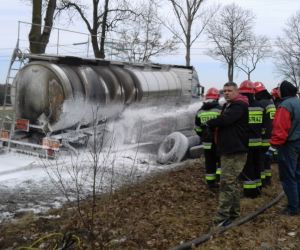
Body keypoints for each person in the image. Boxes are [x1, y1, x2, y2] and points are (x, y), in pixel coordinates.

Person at [206, 82, 249, 226]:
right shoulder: (228, 105)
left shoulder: (239, 106)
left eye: (230, 90)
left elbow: (226, 120)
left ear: (237, 92)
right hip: (229, 150)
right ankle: (233, 214)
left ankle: (222, 218)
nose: (227, 93)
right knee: (232, 183)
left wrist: (210, 123)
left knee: (226, 183)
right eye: (224, 91)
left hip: (234, 151)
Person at [267, 80, 300, 216]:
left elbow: (280, 129)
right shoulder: (298, 102)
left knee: (288, 176)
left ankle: (293, 208)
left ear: (285, 91)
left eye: (279, 89)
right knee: (298, 174)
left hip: (289, 145)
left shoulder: (284, 106)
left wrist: (272, 147)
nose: (277, 92)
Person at [239, 80, 264, 198]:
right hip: (258, 142)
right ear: (253, 92)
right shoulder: (260, 106)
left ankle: (249, 193)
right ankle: (258, 188)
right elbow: (263, 126)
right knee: (257, 165)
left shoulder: (242, 107)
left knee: (248, 167)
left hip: (246, 143)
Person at [195, 87, 222, 189]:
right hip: (218, 141)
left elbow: (197, 128)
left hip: (206, 143)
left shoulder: (200, 111)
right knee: (221, 160)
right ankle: (220, 180)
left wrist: (203, 136)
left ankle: (210, 183)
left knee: (209, 162)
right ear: (217, 98)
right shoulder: (220, 110)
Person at [254, 81, 276, 186]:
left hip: (263, 137)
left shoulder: (261, 103)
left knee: (261, 160)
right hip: (271, 136)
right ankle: (268, 179)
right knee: (267, 160)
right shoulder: (270, 102)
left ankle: (263, 181)